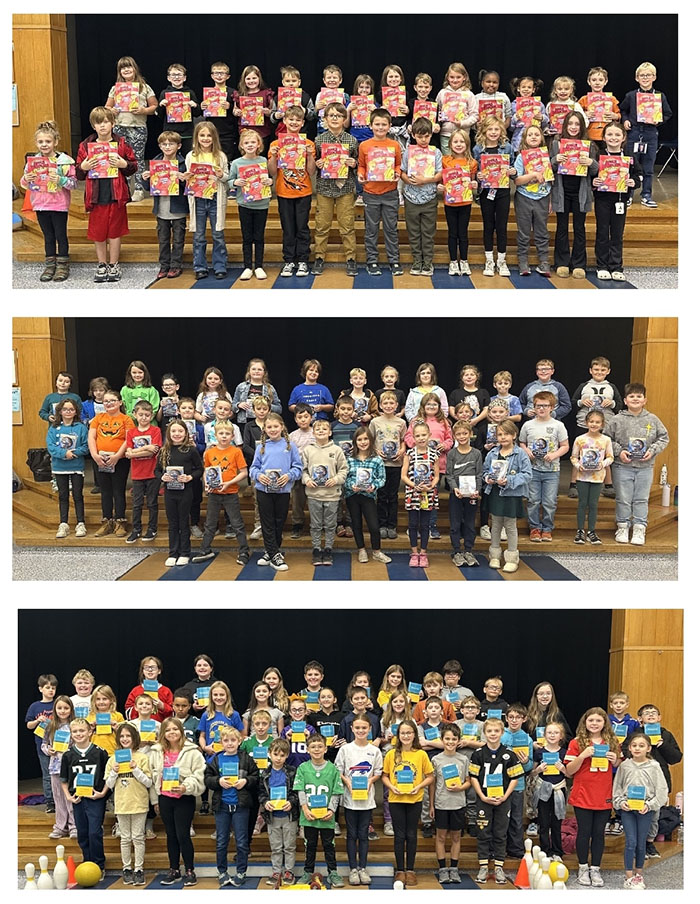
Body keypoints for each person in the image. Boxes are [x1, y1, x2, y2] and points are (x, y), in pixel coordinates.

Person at [75, 106, 137, 283]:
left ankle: (113, 264)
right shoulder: (85, 145)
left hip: (116, 193)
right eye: (98, 123)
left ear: (113, 123)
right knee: (98, 231)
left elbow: (133, 167)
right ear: (93, 126)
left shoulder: (122, 144)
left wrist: (124, 164)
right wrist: (84, 168)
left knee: (115, 231)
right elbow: (78, 173)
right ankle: (102, 264)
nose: (102, 126)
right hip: (96, 194)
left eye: (105, 122)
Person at [565, 708, 622, 887]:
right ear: (585, 722)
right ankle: (583, 867)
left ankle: (595, 868)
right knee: (584, 832)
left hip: (603, 794)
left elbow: (619, 764)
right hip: (583, 794)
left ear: (605, 723)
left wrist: (616, 761)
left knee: (599, 833)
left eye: (598, 720)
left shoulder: (612, 742)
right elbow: (569, 771)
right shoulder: (576, 742)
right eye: (591, 720)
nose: (594, 724)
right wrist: (582, 755)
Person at [608, 382, 669, 546]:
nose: (635, 399)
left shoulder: (653, 419)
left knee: (641, 498)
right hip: (622, 466)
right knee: (623, 498)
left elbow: (663, 437)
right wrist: (619, 451)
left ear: (644, 400)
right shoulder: (616, 420)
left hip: (645, 467)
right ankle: (622, 526)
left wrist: (653, 450)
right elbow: (607, 439)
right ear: (626, 401)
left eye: (639, 396)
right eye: (631, 396)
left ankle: (639, 528)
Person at [150, 717, 205, 886]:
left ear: (181, 731)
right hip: (165, 798)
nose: (171, 732)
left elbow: (199, 775)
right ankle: (174, 869)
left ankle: (190, 870)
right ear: (163, 734)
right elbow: (152, 776)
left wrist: (185, 787)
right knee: (171, 835)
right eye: (167, 730)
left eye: (175, 729)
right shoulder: (156, 751)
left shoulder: (193, 751)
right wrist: (155, 800)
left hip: (184, 798)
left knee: (183, 835)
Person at [622, 703, 682, 858]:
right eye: (646, 713)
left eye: (653, 712)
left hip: (658, 781)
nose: (650, 715)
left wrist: (662, 745)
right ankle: (636, 846)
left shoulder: (666, 735)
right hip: (636, 782)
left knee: (654, 816)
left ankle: (649, 843)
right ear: (640, 718)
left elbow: (676, 758)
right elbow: (624, 752)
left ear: (659, 717)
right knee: (635, 814)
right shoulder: (635, 734)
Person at [20, 119, 76, 281]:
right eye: (40, 142)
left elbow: (73, 184)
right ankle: (50, 264)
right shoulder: (33, 163)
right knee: (48, 236)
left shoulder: (64, 162)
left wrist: (60, 179)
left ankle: (63, 265)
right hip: (40, 205)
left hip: (59, 205)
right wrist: (26, 178)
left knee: (60, 235)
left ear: (56, 142)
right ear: (36, 143)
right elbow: (25, 185)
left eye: (48, 141)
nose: (44, 145)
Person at [469, 717, 524, 884]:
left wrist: (505, 796)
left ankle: (499, 867)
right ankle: (483, 866)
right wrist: (482, 796)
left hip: (503, 800)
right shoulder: (478, 754)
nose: (493, 734)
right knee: (483, 833)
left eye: (496, 731)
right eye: (489, 731)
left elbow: (515, 778)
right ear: (484, 733)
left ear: (502, 733)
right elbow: (473, 778)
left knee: (500, 833)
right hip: (484, 800)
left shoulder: (509, 754)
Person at [382, 719, 435, 887]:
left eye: (409, 733)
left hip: (414, 799)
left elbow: (430, 776)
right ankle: (400, 870)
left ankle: (410, 870)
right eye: (403, 733)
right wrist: (392, 787)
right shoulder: (391, 754)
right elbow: (384, 776)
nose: (406, 736)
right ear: (398, 735)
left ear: (414, 735)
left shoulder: (421, 754)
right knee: (399, 836)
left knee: (411, 835)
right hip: (396, 799)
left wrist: (418, 786)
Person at [205, 725, 259, 888]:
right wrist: (218, 781)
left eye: (233, 740)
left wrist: (246, 781)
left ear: (239, 741)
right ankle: (222, 872)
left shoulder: (245, 758)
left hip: (241, 806)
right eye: (226, 740)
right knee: (221, 841)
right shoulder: (216, 758)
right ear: (221, 742)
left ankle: (241, 871)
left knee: (242, 842)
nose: (229, 743)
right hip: (222, 807)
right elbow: (207, 778)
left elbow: (255, 776)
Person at [612, 732, 667, 889]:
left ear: (648, 748)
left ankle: (639, 875)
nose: (637, 748)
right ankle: (628, 876)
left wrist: (649, 805)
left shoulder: (654, 766)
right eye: (634, 745)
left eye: (641, 746)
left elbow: (662, 791)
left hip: (645, 810)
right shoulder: (624, 766)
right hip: (628, 810)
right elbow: (617, 788)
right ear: (629, 747)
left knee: (641, 844)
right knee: (631, 842)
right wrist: (620, 802)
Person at [250, 413, 303, 571]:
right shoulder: (261, 446)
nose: (272, 429)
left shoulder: (290, 446)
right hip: (263, 490)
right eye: (269, 427)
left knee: (279, 521)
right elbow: (253, 468)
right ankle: (274, 555)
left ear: (282, 427)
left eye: (275, 426)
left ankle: (271, 551)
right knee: (267, 522)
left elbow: (298, 468)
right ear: (264, 429)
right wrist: (259, 476)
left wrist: (289, 476)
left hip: (283, 490)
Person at [192, 421, 249, 566]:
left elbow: (244, 472)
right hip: (214, 493)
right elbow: (207, 471)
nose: (224, 436)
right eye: (221, 434)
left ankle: (244, 551)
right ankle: (205, 549)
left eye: (227, 434)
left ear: (232, 436)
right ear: (215, 435)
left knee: (237, 523)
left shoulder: (236, 452)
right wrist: (206, 483)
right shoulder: (209, 452)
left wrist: (229, 483)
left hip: (231, 492)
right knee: (210, 523)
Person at [335, 714, 384, 885]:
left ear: (370, 729)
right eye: (358, 728)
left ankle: (363, 868)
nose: (361, 730)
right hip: (350, 799)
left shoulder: (375, 751)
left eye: (364, 728)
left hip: (367, 800)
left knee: (363, 835)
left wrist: (370, 781)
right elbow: (338, 770)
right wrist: (347, 782)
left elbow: (378, 772)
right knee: (352, 834)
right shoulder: (345, 749)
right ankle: (353, 869)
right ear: (352, 729)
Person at [268, 105, 316, 277]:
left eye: (298, 120)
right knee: (288, 228)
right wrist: (273, 155)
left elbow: (311, 172)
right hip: (283, 192)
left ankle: (303, 260)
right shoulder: (276, 144)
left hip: (303, 192)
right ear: (284, 121)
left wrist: (310, 155)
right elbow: (273, 172)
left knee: (302, 227)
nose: (294, 122)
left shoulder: (308, 143)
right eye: (291, 119)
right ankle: (289, 261)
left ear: (303, 122)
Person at [312, 102, 359, 277]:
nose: (334, 118)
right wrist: (317, 164)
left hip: (345, 188)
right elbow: (312, 164)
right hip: (325, 188)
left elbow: (358, 163)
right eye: (330, 115)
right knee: (322, 225)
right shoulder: (319, 140)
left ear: (344, 119)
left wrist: (354, 164)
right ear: (324, 119)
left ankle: (351, 258)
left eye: (338, 116)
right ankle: (319, 257)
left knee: (347, 225)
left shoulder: (351, 140)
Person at [550, 110, 598, 279]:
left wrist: (591, 162)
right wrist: (556, 160)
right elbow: (549, 167)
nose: (573, 127)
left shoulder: (589, 145)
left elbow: (597, 170)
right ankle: (561, 262)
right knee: (561, 227)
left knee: (579, 228)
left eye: (577, 124)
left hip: (581, 192)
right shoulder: (556, 144)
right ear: (565, 125)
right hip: (562, 192)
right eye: (570, 124)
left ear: (582, 126)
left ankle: (579, 264)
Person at [293, 733, 345, 887]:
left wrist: (331, 810)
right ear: (307, 749)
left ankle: (333, 872)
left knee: (329, 845)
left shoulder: (333, 768)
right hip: (308, 815)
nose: (316, 749)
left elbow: (336, 791)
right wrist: (305, 809)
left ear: (325, 748)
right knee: (310, 845)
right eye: (313, 747)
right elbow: (300, 790)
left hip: (327, 817)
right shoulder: (302, 768)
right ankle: (308, 872)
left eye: (320, 746)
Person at [60, 718, 109, 877]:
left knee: (94, 832)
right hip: (78, 799)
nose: (79, 734)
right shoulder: (67, 755)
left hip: (95, 798)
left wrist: (102, 793)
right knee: (82, 832)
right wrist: (69, 797)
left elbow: (109, 776)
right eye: (75, 731)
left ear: (90, 732)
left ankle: (99, 864)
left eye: (82, 731)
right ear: (71, 734)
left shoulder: (100, 752)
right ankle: (88, 862)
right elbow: (64, 780)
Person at [592, 120, 640, 281]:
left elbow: (638, 175)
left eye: (617, 134)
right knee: (602, 232)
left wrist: (634, 183)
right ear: (604, 137)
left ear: (624, 137)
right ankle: (602, 266)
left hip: (621, 200)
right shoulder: (598, 155)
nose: (613, 138)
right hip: (603, 200)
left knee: (617, 234)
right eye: (610, 134)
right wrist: (594, 182)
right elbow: (590, 175)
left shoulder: (629, 157)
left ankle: (616, 266)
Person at [620, 62, 673, 208]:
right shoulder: (631, 96)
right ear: (637, 78)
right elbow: (622, 110)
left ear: (654, 77)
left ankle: (646, 195)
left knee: (648, 167)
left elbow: (668, 113)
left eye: (648, 75)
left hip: (650, 133)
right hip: (634, 133)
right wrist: (625, 121)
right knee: (630, 165)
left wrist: (659, 120)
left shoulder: (660, 96)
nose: (645, 78)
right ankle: (627, 195)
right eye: (642, 75)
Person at [105, 723, 152, 886]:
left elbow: (148, 782)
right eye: (122, 736)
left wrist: (136, 769)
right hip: (122, 804)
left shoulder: (142, 757)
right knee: (125, 838)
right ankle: (127, 868)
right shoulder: (113, 758)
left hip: (139, 803)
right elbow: (109, 785)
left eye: (128, 736)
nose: (125, 739)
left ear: (134, 738)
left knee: (138, 837)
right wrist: (114, 772)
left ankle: (139, 869)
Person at [357, 108, 403, 276]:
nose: (380, 127)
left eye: (384, 124)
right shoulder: (364, 145)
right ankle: (372, 260)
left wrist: (397, 173)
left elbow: (398, 164)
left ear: (390, 126)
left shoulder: (394, 145)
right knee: (371, 229)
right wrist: (361, 175)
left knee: (391, 228)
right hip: (370, 192)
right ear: (370, 126)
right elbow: (362, 165)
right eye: (377, 124)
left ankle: (394, 260)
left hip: (390, 192)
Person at [519, 391, 569, 542]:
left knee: (549, 501)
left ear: (552, 407)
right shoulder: (528, 425)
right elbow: (521, 443)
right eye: (538, 406)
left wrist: (554, 455)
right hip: (532, 469)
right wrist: (526, 451)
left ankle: (547, 529)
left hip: (551, 470)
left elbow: (565, 446)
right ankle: (534, 527)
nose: (541, 409)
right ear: (533, 407)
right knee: (533, 500)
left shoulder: (558, 425)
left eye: (545, 406)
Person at [569, 356, 623, 499]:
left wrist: (611, 403)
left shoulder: (611, 387)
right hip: (584, 424)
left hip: (605, 426)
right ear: (590, 370)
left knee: (605, 454)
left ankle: (608, 485)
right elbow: (572, 403)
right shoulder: (583, 386)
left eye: (602, 370)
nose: (599, 372)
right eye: (596, 369)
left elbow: (620, 405)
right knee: (580, 453)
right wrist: (581, 402)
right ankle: (574, 484)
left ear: (608, 371)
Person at [483, 421, 532, 572]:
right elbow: (485, 471)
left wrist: (509, 481)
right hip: (495, 493)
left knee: (510, 525)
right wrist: (487, 479)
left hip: (511, 494)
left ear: (514, 435)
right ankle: (495, 555)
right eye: (500, 434)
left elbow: (527, 475)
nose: (503, 437)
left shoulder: (520, 454)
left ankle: (511, 557)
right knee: (496, 524)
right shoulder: (492, 453)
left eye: (506, 434)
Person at [105, 56, 157, 201]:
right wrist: (112, 111)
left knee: (138, 158)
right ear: (120, 72)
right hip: (120, 127)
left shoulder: (144, 87)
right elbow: (107, 107)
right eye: (123, 68)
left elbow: (154, 107)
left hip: (138, 127)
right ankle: (124, 189)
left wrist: (143, 110)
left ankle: (139, 189)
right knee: (120, 158)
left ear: (135, 69)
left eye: (129, 66)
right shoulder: (115, 88)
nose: (126, 70)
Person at [184, 121, 229, 279]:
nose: (205, 138)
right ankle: (200, 266)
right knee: (199, 235)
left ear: (214, 137)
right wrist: (187, 177)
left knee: (218, 234)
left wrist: (220, 175)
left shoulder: (220, 156)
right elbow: (187, 178)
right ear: (196, 137)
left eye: (209, 135)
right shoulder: (191, 156)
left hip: (216, 197)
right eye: (202, 135)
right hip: (198, 199)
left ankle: (220, 265)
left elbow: (227, 178)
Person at [155, 419, 203, 567]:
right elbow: (156, 470)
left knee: (183, 522)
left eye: (180, 431)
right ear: (169, 433)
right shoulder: (164, 450)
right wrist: (162, 477)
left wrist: (190, 477)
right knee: (173, 523)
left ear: (185, 433)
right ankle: (173, 552)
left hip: (186, 492)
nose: (177, 434)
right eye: (174, 431)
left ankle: (184, 552)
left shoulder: (191, 450)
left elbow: (199, 469)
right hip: (170, 492)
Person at [473, 116, 516, 276]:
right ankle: (489, 260)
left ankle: (502, 261)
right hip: (486, 192)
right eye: (490, 129)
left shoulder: (508, 147)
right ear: (484, 131)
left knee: (502, 226)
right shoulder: (478, 149)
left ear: (502, 131)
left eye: (496, 129)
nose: (493, 132)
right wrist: (478, 176)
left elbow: (512, 169)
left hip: (503, 192)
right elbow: (476, 171)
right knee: (488, 225)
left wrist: (513, 172)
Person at [142, 131, 188, 280]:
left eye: (171, 144)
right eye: (164, 144)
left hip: (178, 209)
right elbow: (148, 188)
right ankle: (164, 265)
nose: (167, 147)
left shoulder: (183, 164)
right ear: (160, 146)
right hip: (161, 209)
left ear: (178, 146)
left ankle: (176, 265)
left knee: (178, 239)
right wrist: (145, 178)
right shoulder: (155, 163)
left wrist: (182, 180)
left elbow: (189, 187)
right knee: (163, 239)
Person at [228, 130, 274, 280]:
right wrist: (234, 182)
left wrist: (270, 181)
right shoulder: (236, 163)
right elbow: (229, 181)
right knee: (247, 237)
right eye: (246, 143)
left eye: (253, 142)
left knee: (259, 236)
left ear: (258, 144)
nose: (250, 145)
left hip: (262, 204)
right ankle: (248, 266)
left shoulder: (263, 161)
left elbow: (270, 178)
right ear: (241, 145)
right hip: (245, 204)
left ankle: (259, 266)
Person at [302, 417, 348, 566]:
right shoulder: (308, 450)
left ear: (330, 432)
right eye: (318, 429)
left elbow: (344, 469)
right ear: (313, 433)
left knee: (330, 524)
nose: (321, 431)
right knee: (315, 525)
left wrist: (336, 479)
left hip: (332, 495)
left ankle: (328, 549)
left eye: (324, 429)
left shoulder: (337, 450)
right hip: (314, 494)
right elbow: (302, 470)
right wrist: (307, 479)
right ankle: (316, 549)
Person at [88, 390, 134, 538]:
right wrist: (95, 455)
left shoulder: (126, 419)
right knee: (105, 491)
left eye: (112, 400)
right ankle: (107, 522)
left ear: (120, 402)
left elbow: (128, 439)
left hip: (119, 460)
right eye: (106, 401)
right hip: (100, 459)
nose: (108, 403)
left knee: (118, 491)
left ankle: (120, 521)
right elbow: (91, 437)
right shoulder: (98, 418)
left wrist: (117, 456)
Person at [401, 117, 443, 276]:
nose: (423, 139)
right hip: (411, 198)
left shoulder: (436, 152)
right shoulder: (408, 151)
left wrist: (426, 180)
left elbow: (439, 174)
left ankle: (427, 263)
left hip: (429, 198)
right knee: (413, 232)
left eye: (426, 136)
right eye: (420, 136)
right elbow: (402, 172)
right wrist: (409, 181)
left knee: (428, 232)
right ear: (414, 136)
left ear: (431, 135)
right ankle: (417, 262)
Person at [344, 426, 392, 564]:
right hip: (352, 495)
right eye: (359, 439)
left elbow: (381, 478)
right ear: (355, 442)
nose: (363, 442)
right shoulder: (349, 459)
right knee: (356, 524)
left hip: (369, 497)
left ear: (371, 440)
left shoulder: (377, 460)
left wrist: (374, 486)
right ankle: (361, 550)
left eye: (366, 439)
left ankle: (376, 551)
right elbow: (344, 477)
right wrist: (350, 485)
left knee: (373, 526)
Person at [429, 723, 470, 884]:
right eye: (447, 739)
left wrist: (461, 787)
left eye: (454, 739)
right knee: (440, 837)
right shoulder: (436, 759)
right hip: (441, 804)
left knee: (456, 837)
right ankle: (442, 869)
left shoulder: (463, 759)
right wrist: (431, 805)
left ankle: (454, 868)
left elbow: (469, 781)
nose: (451, 742)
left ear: (458, 740)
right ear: (442, 740)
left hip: (458, 804)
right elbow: (432, 784)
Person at [258, 738, 300, 886]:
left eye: (282, 755)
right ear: (269, 754)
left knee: (289, 845)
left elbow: (297, 792)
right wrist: (265, 802)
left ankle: (289, 871)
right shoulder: (264, 773)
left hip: (289, 815)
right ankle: (276, 871)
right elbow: (261, 793)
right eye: (276, 754)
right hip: (272, 816)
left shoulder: (292, 772)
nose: (278, 758)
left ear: (287, 755)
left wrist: (291, 802)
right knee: (276, 847)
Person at [513, 124, 553, 276]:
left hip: (543, 197)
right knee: (524, 231)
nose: (534, 137)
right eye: (530, 134)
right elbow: (517, 180)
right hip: (524, 198)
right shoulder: (521, 156)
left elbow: (551, 180)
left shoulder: (546, 156)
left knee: (542, 231)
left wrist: (550, 200)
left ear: (542, 137)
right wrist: (533, 175)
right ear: (525, 138)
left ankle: (544, 261)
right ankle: (522, 260)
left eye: (537, 134)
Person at [570, 409, 614, 544]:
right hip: (583, 476)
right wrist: (578, 466)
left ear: (602, 424)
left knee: (593, 504)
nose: (594, 424)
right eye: (591, 422)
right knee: (582, 503)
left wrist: (603, 464)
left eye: (597, 422)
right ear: (586, 423)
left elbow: (610, 457)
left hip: (597, 477)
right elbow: (573, 457)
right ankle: (580, 531)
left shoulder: (606, 440)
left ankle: (591, 531)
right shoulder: (580, 439)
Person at [47, 398, 88, 539]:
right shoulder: (53, 428)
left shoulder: (81, 427)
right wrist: (64, 453)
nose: (68, 412)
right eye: (65, 409)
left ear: (75, 411)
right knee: (63, 496)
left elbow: (86, 446)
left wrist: (74, 453)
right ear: (60, 411)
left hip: (76, 466)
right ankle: (63, 523)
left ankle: (80, 523)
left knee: (78, 495)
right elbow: (51, 447)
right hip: (60, 467)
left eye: (71, 409)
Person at [439, 129, 478, 275]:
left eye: (462, 141)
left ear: (467, 144)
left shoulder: (472, 162)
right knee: (452, 233)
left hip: (465, 203)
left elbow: (473, 181)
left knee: (463, 233)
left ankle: (464, 261)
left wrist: (474, 184)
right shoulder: (445, 160)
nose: (459, 144)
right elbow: (441, 179)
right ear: (450, 144)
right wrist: (440, 186)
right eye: (455, 141)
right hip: (450, 203)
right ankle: (453, 262)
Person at [401, 420, 440, 567]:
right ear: (413, 437)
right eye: (418, 435)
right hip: (413, 494)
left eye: (424, 435)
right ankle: (414, 552)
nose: (421, 438)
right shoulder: (409, 454)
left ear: (429, 435)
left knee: (425, 525)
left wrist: (431, 485)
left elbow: (436, 476)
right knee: (412, 524)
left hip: (428, 494)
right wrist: (414, 485)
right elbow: (404, 476)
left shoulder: (434, 454)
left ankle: (423, 553)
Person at [369, 390, 406, 540]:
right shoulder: (375, 422)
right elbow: (370, 441)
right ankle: (382, 524)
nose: (389, 406)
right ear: (380, 405)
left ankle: (392, 525)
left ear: (397, 405)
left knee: (393, 495)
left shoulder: (401, 422)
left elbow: (404, 440)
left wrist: (402, 450)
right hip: (380, 464)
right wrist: (376, 451)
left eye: (392, 403)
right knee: (382, 495)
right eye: (385, 403)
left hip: (396, 464)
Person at [445, 420, 482, 566]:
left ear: (471, 434)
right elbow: (449, 474)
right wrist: (455, 488)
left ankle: (468, 550)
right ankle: (456, 551)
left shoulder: (477, 454)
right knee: (455, 523)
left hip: (472, 495)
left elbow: (479, 474)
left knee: (469, 524)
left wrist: (477, 490)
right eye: (458, 434)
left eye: (465, 433)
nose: (462, 436)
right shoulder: (452, 454)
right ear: (454, 436)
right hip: (456, 494)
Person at [125, 400, 161, 544]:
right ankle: (136, 529)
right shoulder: (131, 432)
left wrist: (134, 452)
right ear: (134, 414)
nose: (144, 418)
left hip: (152, 473)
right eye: (141, 415)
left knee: (152, 502)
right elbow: (128, 452)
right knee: (137, 503)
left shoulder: (155, 431)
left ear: (151, 415)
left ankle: (152, 528)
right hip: (137, 473)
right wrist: (144, 449)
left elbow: (154, 451)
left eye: (147, 415)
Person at [531, 721, 568, 862]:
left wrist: (563, 769)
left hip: (559, 789)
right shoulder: (539, 752)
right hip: (543, 789)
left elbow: (570, 774)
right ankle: (545, 850)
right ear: (544, 735)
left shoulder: (565, 753)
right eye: (549, 732)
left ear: (561, 736)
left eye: (556, 732)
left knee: (557, 822)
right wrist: (538, 770)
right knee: (544, 822)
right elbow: (532, 773)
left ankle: (557, 851)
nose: (552, 735)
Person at [501, 704, 533, 858]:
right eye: (511, 717)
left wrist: (526, 761)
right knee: (500, 819)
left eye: (518, 717)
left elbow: (529, 767)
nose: (514, 720)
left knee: (516, 819)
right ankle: (499, 849)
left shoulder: (527, 739)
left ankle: (515, 850)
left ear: (524, 719)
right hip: (499, 784)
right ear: (506, 718)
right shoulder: (499, 735)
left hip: (518, 785)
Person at [42, 695, 76, 839]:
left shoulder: (75, 724)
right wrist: (48, 750)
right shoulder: (51, 726)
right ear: (55, 709)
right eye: (59, 708)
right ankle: (60, 826)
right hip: (55, 766)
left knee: (71, 797)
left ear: (71, 709)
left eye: (66, 708)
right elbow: (44, 744)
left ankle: (74, 826)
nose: (62, 711)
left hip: (70, 767)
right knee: (58, 797)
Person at [25, 674, 58, 813]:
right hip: (42, 746)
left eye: (53, 688)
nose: (51, 690)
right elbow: (29, 726)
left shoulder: (58, 704)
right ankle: (50, 801)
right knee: (47, 774)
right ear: (40, 689)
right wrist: (38, 721)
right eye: (47, 687)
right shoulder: (35, 706)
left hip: (59, 745)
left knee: (60, 773)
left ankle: (61, 799)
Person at [436, 62, 478, 156]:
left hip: (463, 135)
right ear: (447, 77)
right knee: (447, 161)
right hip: (445, 134)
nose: (455, 80)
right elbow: (435, 112)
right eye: (452, 77)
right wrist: (439, 120)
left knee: (462, 160)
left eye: (458, 77)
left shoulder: (469, 94)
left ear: (464, 77)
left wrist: (462, 123)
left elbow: (474, 115)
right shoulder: (442, 93)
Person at [233, 64, 275, 155]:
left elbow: (272, 112)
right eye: (248, 79)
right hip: (245, 132)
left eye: (254, 78)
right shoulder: (239, 95)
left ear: (259, 78)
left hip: (263, 132)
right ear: (244, 80)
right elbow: (235, 110)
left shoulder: (266, 94)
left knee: (262, 158)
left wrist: (266, 112)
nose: (251, 81)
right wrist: (236, 112)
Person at [157, 62, 198, 157]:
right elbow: (160, 115)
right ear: (168, 78)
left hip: (187, 132)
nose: (176, 77)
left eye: (179, 75)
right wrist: (161, 105)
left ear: (184, 78)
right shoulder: (164, 93)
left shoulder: (190, 93)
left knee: (188, 156)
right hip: (170, 132)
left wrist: (195, 105)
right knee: (170, 157)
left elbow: (197, 113)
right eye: (173, 75)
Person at [231, 358, 284, 428]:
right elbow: (232, 406)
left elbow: (279, 409)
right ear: (249, 371)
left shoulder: (270, 388)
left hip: (265, 423)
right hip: (244, 422)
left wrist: (267, 406)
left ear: (264, 372)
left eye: (259, 369)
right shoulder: (241, 387)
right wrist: (238, 405)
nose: (256, 371)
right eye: (253, 369)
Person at [289, 403, 315, 539]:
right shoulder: (292, 436)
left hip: (313, 473)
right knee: (297, 500)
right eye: (300, 417)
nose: (303, 420)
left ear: (311, 417)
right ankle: (297, 525)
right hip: (298, 472)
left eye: (306, 416)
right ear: (295, 419)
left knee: (314, 499)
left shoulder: (316, 432)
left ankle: (315, 525)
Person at [201, 62, 236, 163]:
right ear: (212, 76)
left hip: (228, 133)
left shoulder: (233, 92)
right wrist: (202, 106)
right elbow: (200, 111)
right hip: (211, 132)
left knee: (226, 159)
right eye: (216, 73)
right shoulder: (207, 92)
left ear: (228, 76)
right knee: (211, 159)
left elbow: (239, 112)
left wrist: (230, 107)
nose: (219, 76)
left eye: (222, 73)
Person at [579, 67, 621, 152]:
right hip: (589, 135)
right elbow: (575, 116)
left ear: (605, 82)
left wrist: (615, 116)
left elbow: (619, 115)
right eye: (594, 80)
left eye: (600, 80)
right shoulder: (584, 99)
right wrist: (584, 114)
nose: (597, 83)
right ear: (589, 82)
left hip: (607, 136)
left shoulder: (611, 99)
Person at [124, 656, 173, 724]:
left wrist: (162, 706)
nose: (150, 670)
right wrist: (140, 706)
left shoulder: (166, 691)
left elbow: (173, 713)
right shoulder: (136, 690)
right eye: (147, 667)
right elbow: (128, 712)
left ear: (159, 671)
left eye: (153, 667)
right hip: (139, 727)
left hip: (160, 727)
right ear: (143, 671)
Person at [272, 65, 316, 137]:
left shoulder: (305, 97)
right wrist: (276, 116)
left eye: (294, 81)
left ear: (299, 82)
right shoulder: (277, 98)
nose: (291, 83)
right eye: (287, 81)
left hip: (301, 133)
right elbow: (272, 118)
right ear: (283, 82)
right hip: (281, 133)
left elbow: (313, 116)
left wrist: (305, 111)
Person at [509, 75, 549, 152]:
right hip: (518, 142)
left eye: (529, 87)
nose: (526, 89)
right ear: (518, 89)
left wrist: (542, 118)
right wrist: (515, 118)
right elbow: (510, 128)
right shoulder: (514, 105)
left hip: (536, 143)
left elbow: (546, 125)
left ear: (533, 90)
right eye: (523, 87)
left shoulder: (539, 104)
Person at [544, 76, 587, 141]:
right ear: (555, 90)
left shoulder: (575, 105)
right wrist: (546, 129)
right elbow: (546, 121)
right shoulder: (550, 105)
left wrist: (577, 130)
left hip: (571, 138)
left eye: (566, 89)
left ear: (571, 90)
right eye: (560, 89)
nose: (563, 91)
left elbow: (585, 121)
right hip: (553, 137)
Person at [87, 685, 125, 756]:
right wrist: (91, 729)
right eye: (98, 699)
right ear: (94, 701)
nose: (101, 702)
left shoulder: (118, 716)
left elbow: (125, 736)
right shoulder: (90, 716)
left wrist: (117, 729)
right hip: (94, 753)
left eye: (104, 699)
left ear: (111, 700)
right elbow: (85, 737)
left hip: (113, 752)